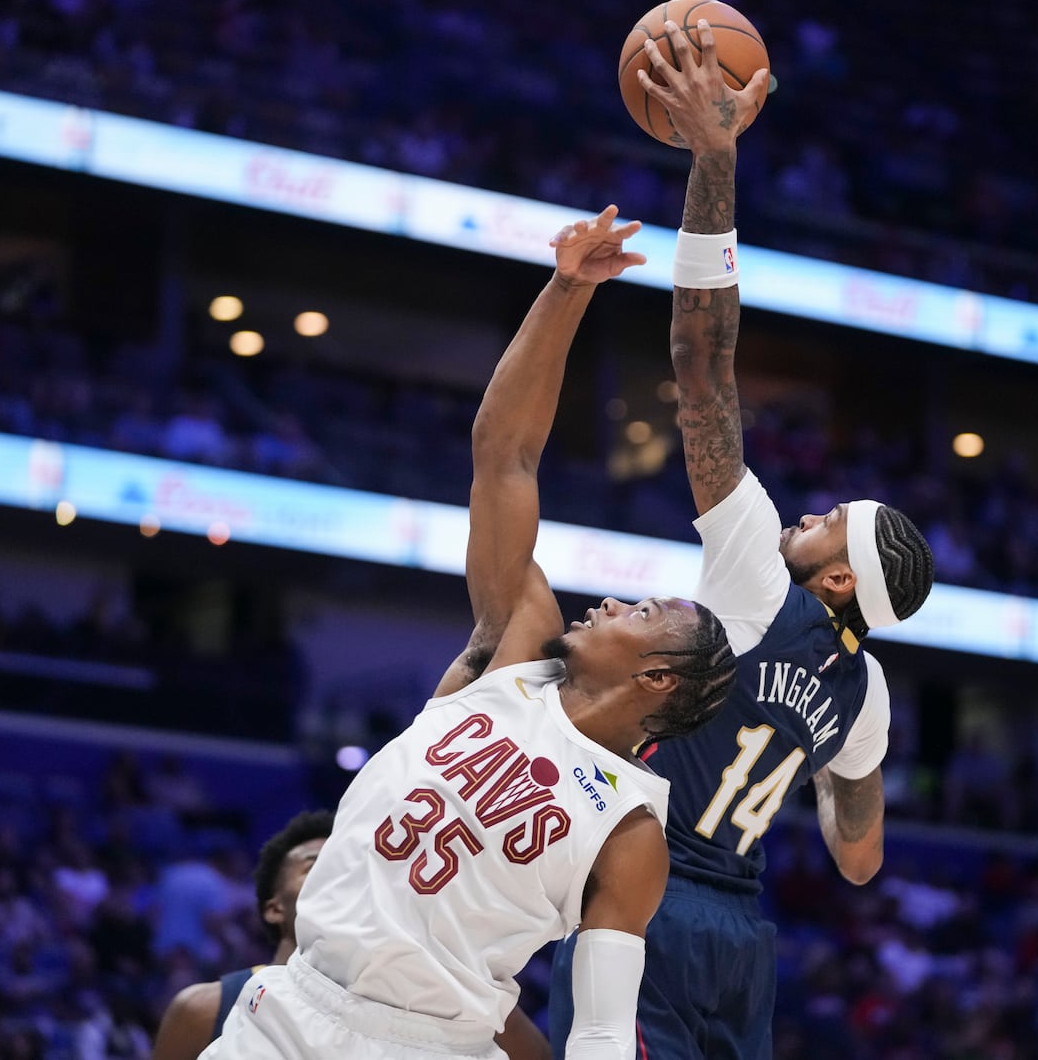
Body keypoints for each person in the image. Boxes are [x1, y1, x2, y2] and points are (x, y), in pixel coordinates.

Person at [201, 207, 738, 1060]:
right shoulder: (519, 647)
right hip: (289, 1010)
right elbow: (504, 454)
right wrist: (568, 289)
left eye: (641, 612)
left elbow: (599, 1025)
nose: (608, 602)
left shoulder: (632, 832)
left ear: (661, 678)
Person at [549, 21, 935, 1060]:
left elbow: (701, 356)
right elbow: (858, 860)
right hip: (743, 940)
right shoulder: (870, 692)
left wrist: (714, 165)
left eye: (826, 521)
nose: (804, 513)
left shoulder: (759, 574)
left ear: (842, 575)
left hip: (646, 897)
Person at [153, 810, 333, 1060]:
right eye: (314, 867)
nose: (336, 879)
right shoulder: (204, 1010)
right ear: (274, 908)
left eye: (344, 871)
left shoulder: (384, 1011)